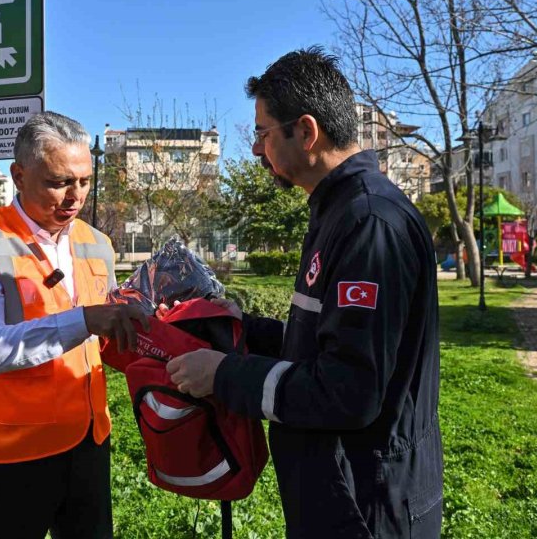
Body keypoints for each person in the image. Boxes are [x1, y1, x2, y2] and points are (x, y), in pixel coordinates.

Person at [167, 47, 443, 539]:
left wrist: (226, 376)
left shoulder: (369, 222)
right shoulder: (338, 211)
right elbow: (326, 344)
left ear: (307, 132)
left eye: (262, 133)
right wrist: (240, 327)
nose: (255, 150)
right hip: (336, 492)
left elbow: (350, 391)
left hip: (366, 506)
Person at [0, 112, 148, 539]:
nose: (75, 197)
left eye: (85, 181)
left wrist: (162, 332)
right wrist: (85, 319)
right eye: (58, 182)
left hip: (88, 444)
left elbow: (104, 340)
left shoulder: (96, 242)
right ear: (18, 175)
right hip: (9, 457)